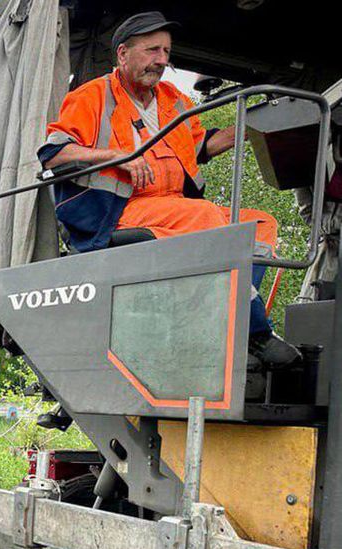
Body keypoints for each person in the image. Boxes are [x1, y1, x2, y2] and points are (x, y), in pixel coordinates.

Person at [38, 10, 299, 372]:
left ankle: (232, 318)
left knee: (260, 223)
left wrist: (253, 122)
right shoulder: (92, 96)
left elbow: (200, 146)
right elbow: (53, 154)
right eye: (151, 50)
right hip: (114, 212)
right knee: (206, 217)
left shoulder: (173, 100)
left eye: (165, 51)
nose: (161, 60)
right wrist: (117, 156)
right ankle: (252, 332)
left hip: (171, 206)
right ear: (123, 54)